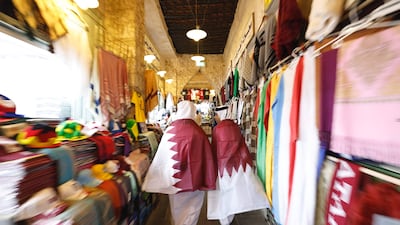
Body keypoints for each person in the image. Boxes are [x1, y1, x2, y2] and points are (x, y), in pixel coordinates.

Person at [142, 100, 217, 225]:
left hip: (175, 180)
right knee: (192, 209)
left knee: (177, 208)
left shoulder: (170, 131)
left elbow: (163, 156)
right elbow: (207, 157)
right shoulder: (198, 133)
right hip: (195, 180)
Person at [207, 106, 270, 225]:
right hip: (239, 164)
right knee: (237, 191)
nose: (215, 117)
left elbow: (215, 147)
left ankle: (225, 218)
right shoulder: (235, 126)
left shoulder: (217, 129)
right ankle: (233, 212)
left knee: (225, 193)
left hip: (223, 166)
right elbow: (242, 144)